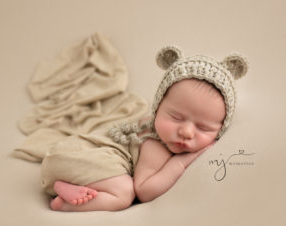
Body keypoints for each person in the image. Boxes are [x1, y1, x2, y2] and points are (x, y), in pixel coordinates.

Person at [49, 45, 248, 211]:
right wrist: (180, 163)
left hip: (73, 161)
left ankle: (68, 185)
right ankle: (64, 204)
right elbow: (144, 191)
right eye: (176, 117)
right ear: (157, 107)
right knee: (124, 193)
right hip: (73, 158)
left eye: (203, 128)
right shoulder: (154, 143)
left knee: (120, 185)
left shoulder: (165, 133)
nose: (186, 132)